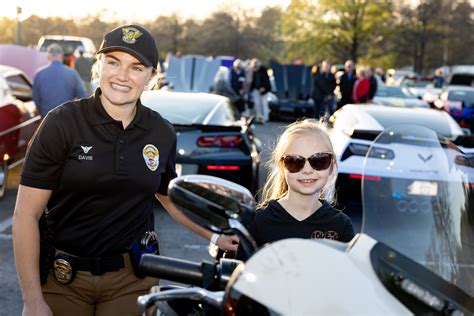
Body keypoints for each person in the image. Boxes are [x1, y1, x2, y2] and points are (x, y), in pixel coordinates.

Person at [12, 24, 237, 316]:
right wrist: (32, 300)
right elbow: (25, 215)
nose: (121, 75)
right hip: (63, 276)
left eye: (136, 67)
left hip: (132, 279)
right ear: (99, 66)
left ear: (152, 76)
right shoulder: (62, 123)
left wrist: (215, 236)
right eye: (113, 62)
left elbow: (168, 195)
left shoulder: (161, 132)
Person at [236, 119, 355, 260]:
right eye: (295, 161)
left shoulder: (341, 225)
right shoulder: (258, 221)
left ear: (331, 165)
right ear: (281, 166)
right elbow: (241, 277)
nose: (307, 170)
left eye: (319, 160)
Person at [33, 43, 87, 117]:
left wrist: (41, 111)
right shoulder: (72, 73)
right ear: (62, 56)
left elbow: (36, 98)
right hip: (67, 117)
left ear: (48, 57)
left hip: (46, 118)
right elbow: (82, 96)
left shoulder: (39, 74)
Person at [249, 58, 271, 123]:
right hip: (256, 89)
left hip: (264, 89)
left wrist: (264, 87)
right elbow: (252, 81)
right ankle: (259, 117)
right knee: (257, 104)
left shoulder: (263, 70)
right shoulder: (253, 70)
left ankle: (266, 118)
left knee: (264, 104)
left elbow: (266, 81)